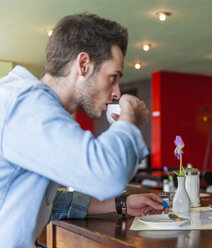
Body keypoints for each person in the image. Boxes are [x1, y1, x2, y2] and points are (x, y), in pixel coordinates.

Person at [0, 13, 166, 247]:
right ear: (84, 65)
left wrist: (121, 204)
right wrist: (129, 119)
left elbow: (45, 201)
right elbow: (107, 176)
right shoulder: (26, 105)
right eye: (113, 77)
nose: (117, 92)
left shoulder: (22, 100)